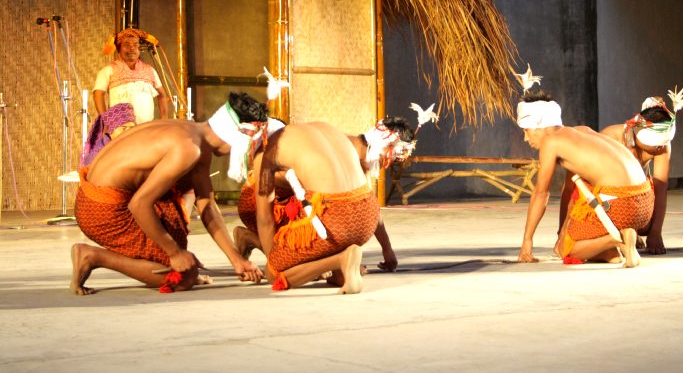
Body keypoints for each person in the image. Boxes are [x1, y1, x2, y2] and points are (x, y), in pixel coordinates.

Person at [70, 92, 265, 295]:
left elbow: (206, 205)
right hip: (101, 211)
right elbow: (139, 204)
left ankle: (168, 261)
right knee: (183, 276)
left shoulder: (194, 133)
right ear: (235, 136)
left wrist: (236, 259)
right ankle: (92, 256)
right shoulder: (189, 148)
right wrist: (174, 253)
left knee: (180, 244)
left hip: (93, 198)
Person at [234, 115, 422, 273]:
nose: (386, 165)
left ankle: (333, 263)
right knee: (304, 255)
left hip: (294, 199)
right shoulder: (346, 149)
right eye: (390, 158)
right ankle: (249, 238)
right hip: (261, 200)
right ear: (384, 144)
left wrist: (387, 249)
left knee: (339, 220)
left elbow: (367, 205)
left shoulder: (361, 158)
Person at [516, 91, 654, 267]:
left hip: (622, 204)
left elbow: (541, 194)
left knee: (566, 250)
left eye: (526, 130)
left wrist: (527, 241)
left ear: (538, 125)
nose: (525, 138)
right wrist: (562, 233)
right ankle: (610, 251)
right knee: (580, 198)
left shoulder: (551, 142)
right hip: (644, 204)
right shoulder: (582, 131)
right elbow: (572, 192)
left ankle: (618, 239)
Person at [252, 121, 381, 293]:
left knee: (273, 275)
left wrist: (274, 263)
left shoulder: (268, 149)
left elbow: (265, 219)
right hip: (368, 216)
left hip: (333, 219)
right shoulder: (324, 127)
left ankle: (342, 260)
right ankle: (339, 271)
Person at [597, 90, 683, 254]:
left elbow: (661, 188)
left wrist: (655, 233)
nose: (660, 147)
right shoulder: (610, 137)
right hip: (607, 196)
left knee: (646, 225)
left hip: (638, 195)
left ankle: (632, 231)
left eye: (663, 143)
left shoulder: (662, 146)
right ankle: (620, 234)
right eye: (656, 144)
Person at [93, 28, 168, 123]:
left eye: (135, 44)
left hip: (146, 127)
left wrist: (164, 120)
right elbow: (98, 94)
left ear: (139, 49)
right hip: (120, 127)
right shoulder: (108, 70)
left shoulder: (150, 70)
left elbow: (162, 95)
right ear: (119, 49)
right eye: (127, 44)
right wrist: (105, 121)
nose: (132, 48)